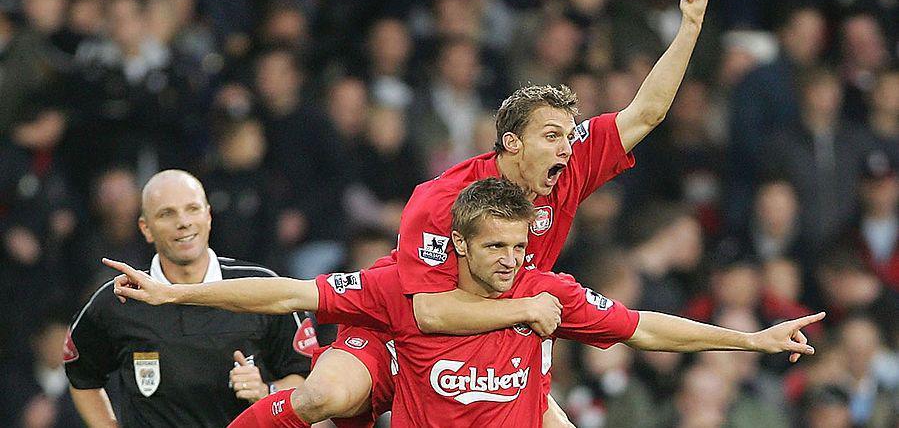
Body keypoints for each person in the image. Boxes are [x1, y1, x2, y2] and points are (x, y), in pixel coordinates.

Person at [273, 0, 711, 428]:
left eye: (568, 136)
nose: (566, 148)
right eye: (551, 136)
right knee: (323, 398)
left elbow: (647, 112)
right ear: (513, 143)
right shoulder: (444, 197)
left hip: (494, 336)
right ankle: (266, 400)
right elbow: (426, 308)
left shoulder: (567, 163)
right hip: (408, 328)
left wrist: (690, 26)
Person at [104, 178, 825, 427]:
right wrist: (181, 292)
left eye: (520, 248)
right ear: (457, 248)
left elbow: (642, 329)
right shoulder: (400, 290)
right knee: (321, 395)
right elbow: (288, 290)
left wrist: (752, 341)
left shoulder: (548, 290)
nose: (513, 263)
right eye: (496, 249)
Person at [64, 170, 317, 427]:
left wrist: (266, 392)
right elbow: (81, 377)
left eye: (192, 209)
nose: (183, 222)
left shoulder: (262, 287)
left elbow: (307, 379)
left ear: (208, 216)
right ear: (146, 228)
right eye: (167, 214)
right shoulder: (120, 298)